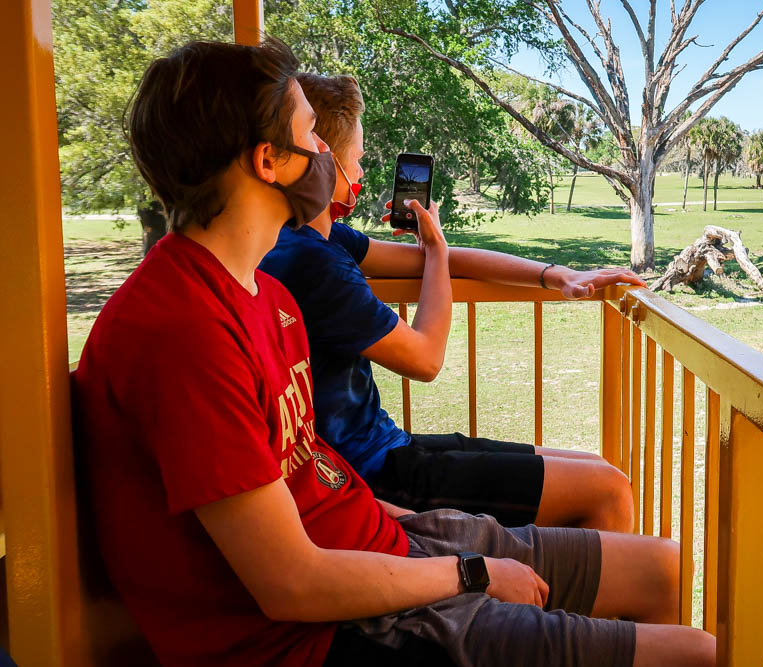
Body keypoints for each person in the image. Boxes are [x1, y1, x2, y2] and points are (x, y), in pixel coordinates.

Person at [72, 37, 715, 667]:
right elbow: (291, 583)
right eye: (312, 135)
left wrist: (425, 531)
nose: (327, 155)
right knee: (702, 653)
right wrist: (470, 571)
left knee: (661, 568)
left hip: (389, 541)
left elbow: (310, 471)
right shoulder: (184, 332)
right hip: (326, 630)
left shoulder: (267, 294)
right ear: (270, 161)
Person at [259, 72, 645, 532]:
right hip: (368, 471)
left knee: (596, 468)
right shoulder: (312, 260)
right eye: (356, 161)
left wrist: (556, 275)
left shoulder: (324, 239)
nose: (359, 175)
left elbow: (447, 257)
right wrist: (436, 252)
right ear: (320, 159)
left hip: (384, 443)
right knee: (609, 491)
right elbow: (426, 359)